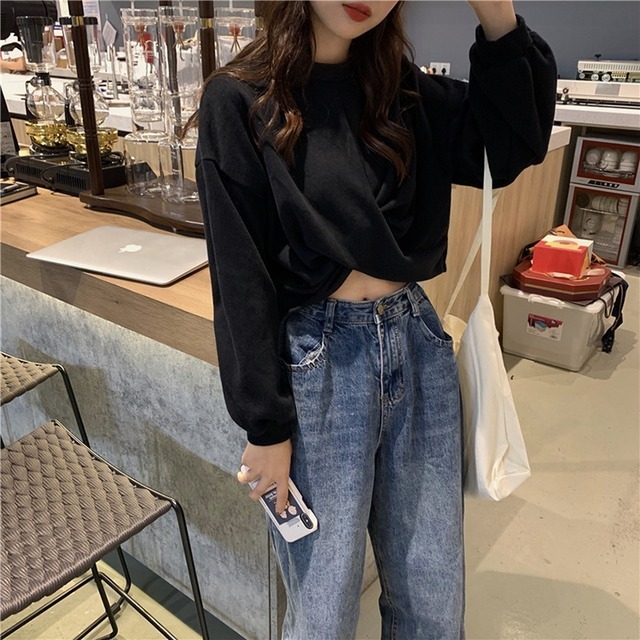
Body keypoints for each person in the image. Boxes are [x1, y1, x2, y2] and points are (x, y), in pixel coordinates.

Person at [193, 1, 557, 637]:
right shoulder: (241, 99)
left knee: (432, 595)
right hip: (319, 365)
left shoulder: (402, 91)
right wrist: (265, 425)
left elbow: (514, 142)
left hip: (415, 342)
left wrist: (495, 10)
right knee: (324, 607)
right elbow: (239, 275)